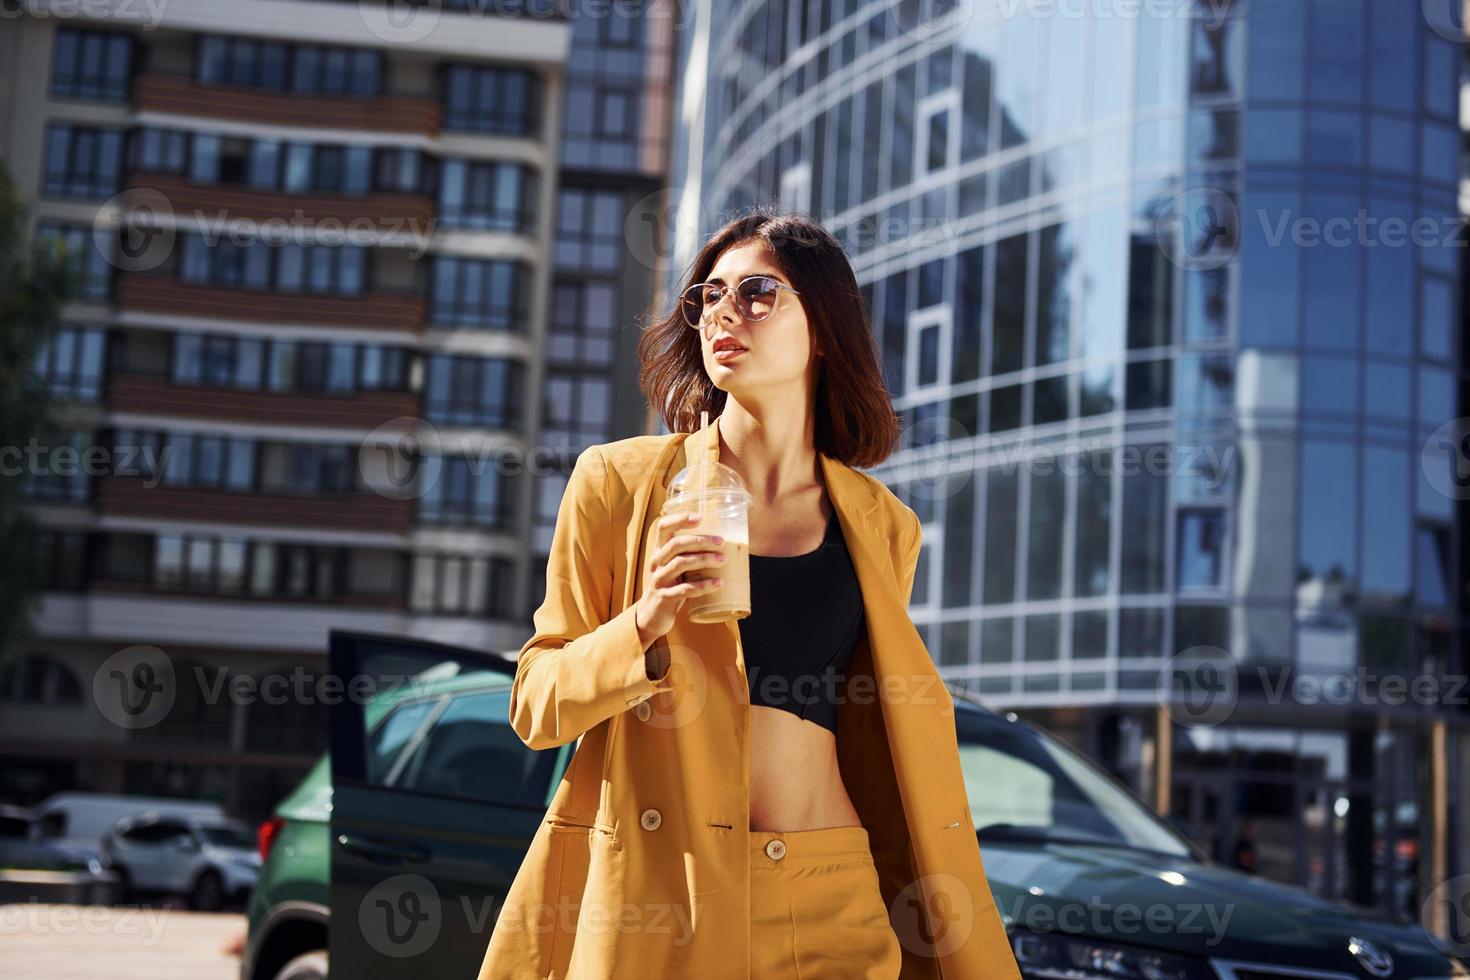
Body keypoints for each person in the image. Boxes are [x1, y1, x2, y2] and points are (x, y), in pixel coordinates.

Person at [479, 206, 1020, 979]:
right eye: (710, 294)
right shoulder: (619, 483)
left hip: (827, 885)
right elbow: (536, 705)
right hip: (667, 893)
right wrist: (645, 620)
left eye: (759, 293)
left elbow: (869, 721)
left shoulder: (882, 524)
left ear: (824, 328)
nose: (724, 312)